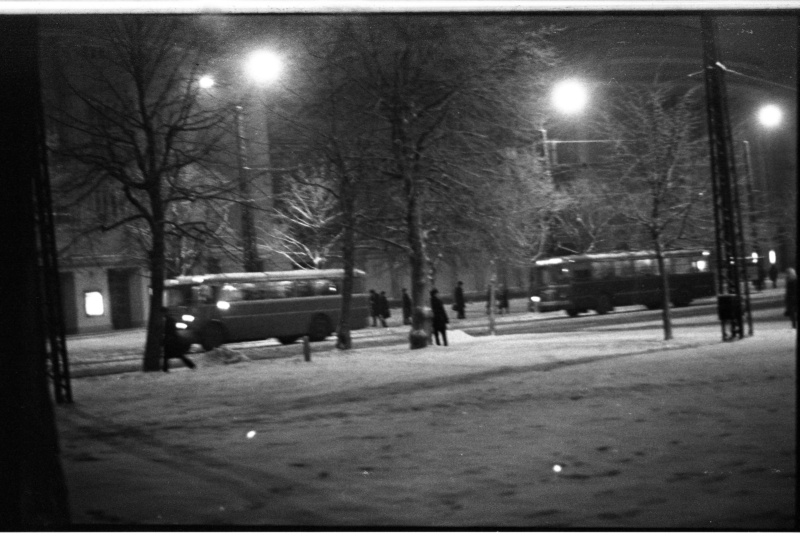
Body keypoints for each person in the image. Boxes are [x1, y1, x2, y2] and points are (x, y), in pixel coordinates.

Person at [162, 308, 195, 372]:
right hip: (172, 340)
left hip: (171, 341)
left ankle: (165, 369)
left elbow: (169, 331)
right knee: (177, 355)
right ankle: (191, 365)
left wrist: (166, 339)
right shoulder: (170, 319)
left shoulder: (168, 320)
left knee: (171, 355)